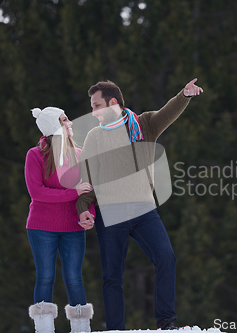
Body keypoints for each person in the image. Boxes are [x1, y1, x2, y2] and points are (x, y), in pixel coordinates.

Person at [76, 79, 203, 330]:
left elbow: (167, 112)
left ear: (113, 103)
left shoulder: (144, 125)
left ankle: (166, 322)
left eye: (96, 105)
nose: (93, 112)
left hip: (144, 211)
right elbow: (86, 180)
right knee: (112, 275)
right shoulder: (95, 136)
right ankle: (115, 329)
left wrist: (184, 96)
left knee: (166, 258)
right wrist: (83, 209)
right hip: (109, 213)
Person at [24, 106, 96, 333]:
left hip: (73, 226)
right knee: (45, 277)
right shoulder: (34, 155)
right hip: (41, 226)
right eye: (65, 120)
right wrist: (72, 192)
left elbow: (87, 191)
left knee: (74, 278)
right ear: (55, 126)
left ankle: (81, 329)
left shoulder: (80, 153)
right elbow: (38, 192)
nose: (70, 123)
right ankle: (44, 329)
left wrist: (89, 214)